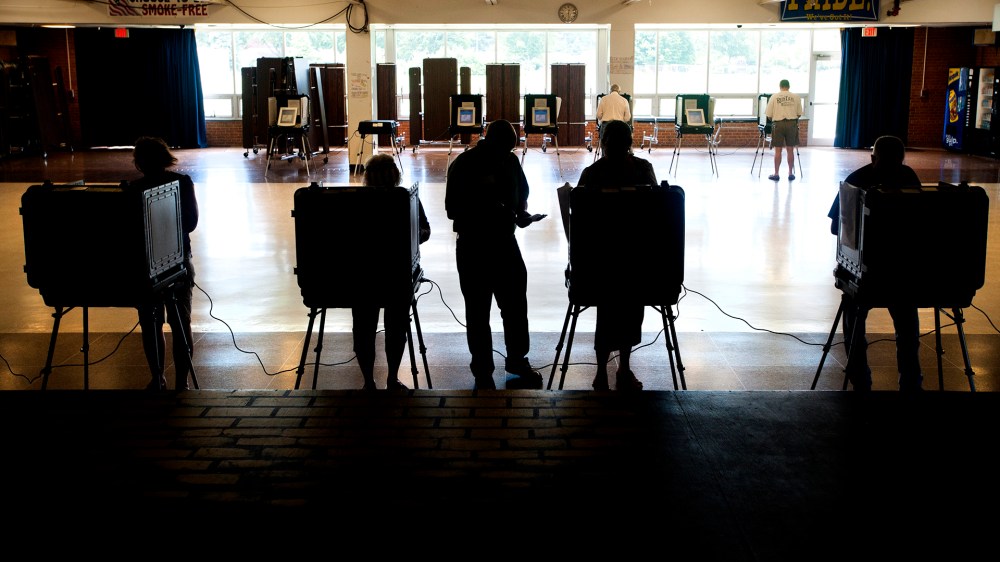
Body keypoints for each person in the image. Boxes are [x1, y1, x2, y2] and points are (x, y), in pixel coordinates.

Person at [445, 119, 546, 390]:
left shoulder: (507, 161)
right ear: (491, 142)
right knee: (486, 310)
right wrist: (489, 209)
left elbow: (521, 197)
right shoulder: (466, 165)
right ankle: (486, 368)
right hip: (479, 244)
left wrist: (521, 215)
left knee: (511, 306)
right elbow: (453, 208)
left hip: (496, 242)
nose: (508, 153)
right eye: (505, 148)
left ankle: (510, 361)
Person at [827, 135, 923, 392]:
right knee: (907, 321)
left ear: (873, 158)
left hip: (865, 273)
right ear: (902, 159)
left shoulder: (856, 180)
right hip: (902, 271)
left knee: (853, 315)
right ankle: (911, 381)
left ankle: (860, 378)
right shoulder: (909, 178)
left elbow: (836, 227)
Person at [576, 119, 655, 392]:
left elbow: (579, 224)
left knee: (606, 312)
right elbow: (656, 215)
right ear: (630, 144)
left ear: (603, 143)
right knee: (631, 309)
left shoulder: (592, 174)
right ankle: (623, 368)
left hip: (599, 264)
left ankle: (601, 372)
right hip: (635, 262)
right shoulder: (643, 170)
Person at [354, 153, 431, 391]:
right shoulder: (406, 199)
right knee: (396, 328)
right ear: (395, 175)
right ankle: (392, 378)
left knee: (364, 330)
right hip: (398, 276)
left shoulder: (357, 200)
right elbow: (425, 231)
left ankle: (368, 381)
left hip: (363, 276)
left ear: (367, 177)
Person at [129, 137, 199, 391]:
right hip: (179, 261)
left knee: (150, 322)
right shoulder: (181, 182)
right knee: (181, 322)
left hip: (145, 266)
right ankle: (182, 382)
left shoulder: (133, 189)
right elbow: (191, 222)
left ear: (138, 163)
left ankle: (157, 377)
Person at [764, 79, 802, 181]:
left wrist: (776, 120)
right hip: (791, 124)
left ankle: (776, 174)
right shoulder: (796, 97)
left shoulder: (774, 97)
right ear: (789, 86)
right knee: (790, 150)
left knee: (778, 150)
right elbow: (799, 113)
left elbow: (769, 115)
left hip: (778, 124)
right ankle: (790, 173)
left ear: (780, 86)